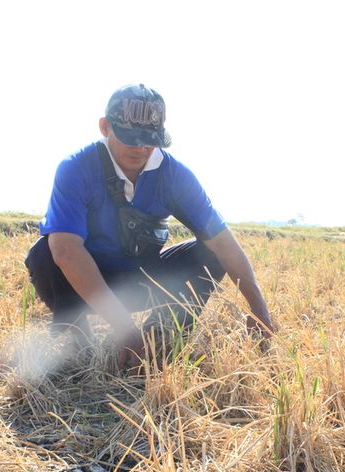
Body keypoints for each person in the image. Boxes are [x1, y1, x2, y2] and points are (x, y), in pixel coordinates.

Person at [25, 84, 275, 369]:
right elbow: (67, 251)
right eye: (130, 137)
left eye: (149, 140)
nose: (140, 148)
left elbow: (222, 242)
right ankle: (78, 333)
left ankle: (159, 335)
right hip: (86, 285)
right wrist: (123, 327)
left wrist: (259, 308)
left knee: (211, 253)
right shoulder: (75, 169)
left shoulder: (175, 176)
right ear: (105, 127)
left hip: (141, 280)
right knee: (45, 252)